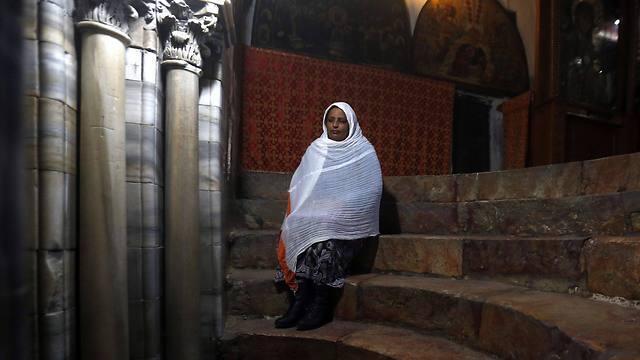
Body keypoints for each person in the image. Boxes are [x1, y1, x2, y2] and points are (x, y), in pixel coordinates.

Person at [273, 102, 382, 331]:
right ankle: (300, 301)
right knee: (300, 225)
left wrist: (339, 207)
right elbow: (302, 186)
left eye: (341, 121)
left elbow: (370, 190)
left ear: (350, 124)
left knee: (324, 234)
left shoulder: (363, 150)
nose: (335, 125)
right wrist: (314, 209)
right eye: (331, 120)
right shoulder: (317, 148)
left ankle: (320, 306)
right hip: (319, 215)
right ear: (325, 122)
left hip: (345, 223)